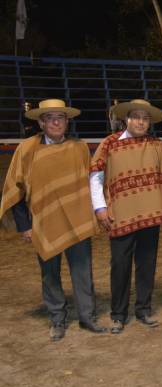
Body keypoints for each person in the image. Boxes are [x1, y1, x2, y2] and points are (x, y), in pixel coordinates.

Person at [0, 99, 106, 341]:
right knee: (50, 274)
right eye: (50, 118)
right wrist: (24, 225)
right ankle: (57, 318)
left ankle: (87, 317)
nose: (56, 122)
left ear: (67, 121)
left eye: (61, 117)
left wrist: (97, 210)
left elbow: (90, 181)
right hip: (44, 222)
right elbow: (16, 189)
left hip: (77, 219)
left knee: (82, 272)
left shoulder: (79, 148)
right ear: (41, 122)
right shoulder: (27, 149)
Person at [90, 99, 162, 334]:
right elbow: (95, 176)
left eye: (145, 118)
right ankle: (118, 314)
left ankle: (143, 309)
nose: (141, 122)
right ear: (126, 119)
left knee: (147, 264)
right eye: (136, 117)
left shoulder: (157, 145)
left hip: (150, 216)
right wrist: (100, 208)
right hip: (120, 217)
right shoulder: (110, 144)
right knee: (119, 265)